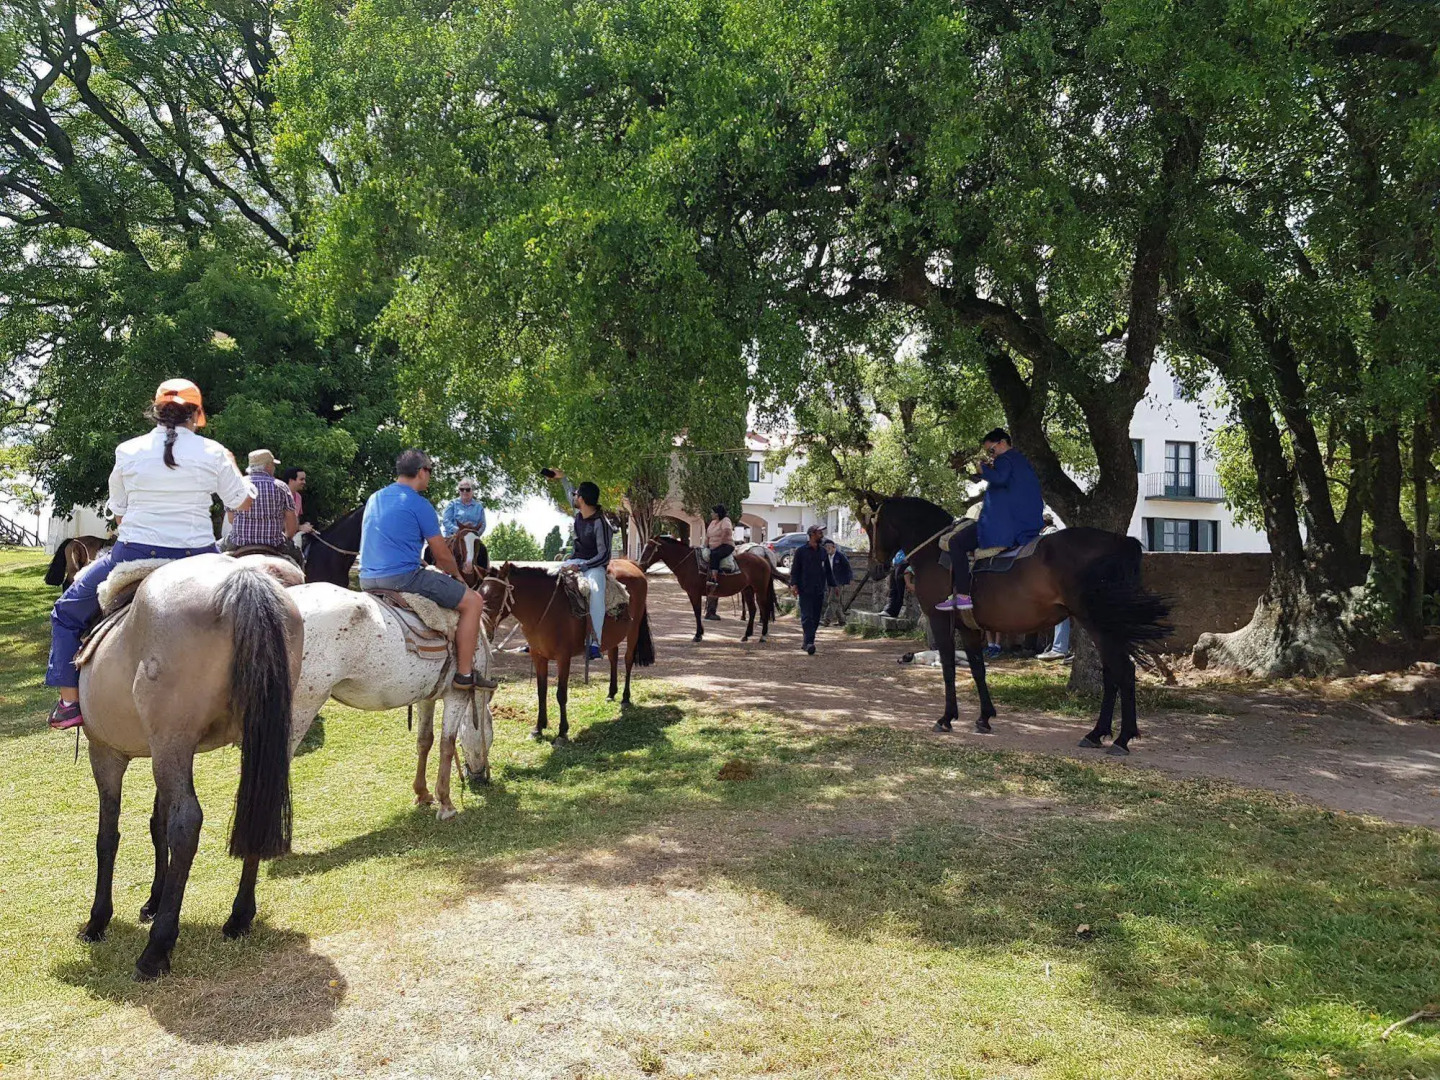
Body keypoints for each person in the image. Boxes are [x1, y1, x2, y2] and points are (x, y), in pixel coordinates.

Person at [45, 379, 256, 730]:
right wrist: (236, 468)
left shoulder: (127, 450)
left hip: (135, 554)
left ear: (157, 411)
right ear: (197, 413)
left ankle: (69, 703)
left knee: (66, 613)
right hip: (200, 557)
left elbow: (120, 512)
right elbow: (242, 502)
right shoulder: (215, 452)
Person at [357, 449, 495, 691]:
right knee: (473, 602)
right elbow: (442, 556)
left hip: (367, 578)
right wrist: (459, 577)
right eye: (430, 470)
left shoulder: (375, 497)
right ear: (421, 471)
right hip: (403, 579)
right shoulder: (420, 504)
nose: (429, 476)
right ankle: (464, 674)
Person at [937, 428, 1045, 612]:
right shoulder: (1021, 461)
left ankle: (963, 595)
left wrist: (983, 469)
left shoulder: (1005, 459)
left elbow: (1001, 478)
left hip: (1004, 526)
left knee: (956, 542)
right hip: (1026, 523)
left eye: (991, 451)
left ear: (1002, 443)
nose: (991, 456)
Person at [548, 469, 613, 660]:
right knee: (548, 578)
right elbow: (570, 494)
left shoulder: (601, 523)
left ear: (582, 499)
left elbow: (604, 555)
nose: (574, 496)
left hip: (594, 565)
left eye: (577, 494)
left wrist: (582, 567)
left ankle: (595, 642)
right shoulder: (579, 512)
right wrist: (563, 479)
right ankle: (541, 635)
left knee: (596, 591)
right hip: (576, 560)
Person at [227, 449, 299, 557]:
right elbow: (291, 521)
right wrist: (288, 538)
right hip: (274, 544)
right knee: (299, 557)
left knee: (214, 555)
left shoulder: (237, 485)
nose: (274, 468)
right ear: (268, 466)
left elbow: (231, 519)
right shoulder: (281, 487)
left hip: (239, 542)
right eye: (273, 465)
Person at [788, 524, 835, 655]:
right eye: (819, 533)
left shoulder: (823, 551)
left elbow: (828, 570)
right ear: (812, 534)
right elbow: (795, 570)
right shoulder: (801, 551)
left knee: (815, 617)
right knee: (807, 616)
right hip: (805, 588)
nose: (822, 535)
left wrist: (833, 585)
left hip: (819, 589)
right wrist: (794, 585)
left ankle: (807, 641)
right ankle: (810, 643)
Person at [441, 477, 487, 573]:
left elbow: (483, 524)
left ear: (472, 491)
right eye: (462, 489)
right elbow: (446, 521)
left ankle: (484, 575)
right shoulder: (452, 504)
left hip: (472, 538)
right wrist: (458, 530)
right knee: (432, 550)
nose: (464, 492)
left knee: (483, 550)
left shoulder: (479, 507)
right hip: (454, 537)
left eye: (467, 489)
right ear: (459, 491)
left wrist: (474, 534)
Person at [703, 504, 735, 621]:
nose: (711, 514)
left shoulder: (726, 521)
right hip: (713, 547)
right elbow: (707, 536)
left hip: (725, 546)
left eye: (713, 512)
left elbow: (726, 533)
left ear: (717, 513)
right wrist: (704, 546)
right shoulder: (712, 523)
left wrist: (718, 545)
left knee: (715, 555)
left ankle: (714, 577)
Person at [820, 538, 853, 625]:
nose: (827, 548)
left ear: (834, 547)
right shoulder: (826, 557)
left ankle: (826, 620)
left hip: (838, 582)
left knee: (833, 600)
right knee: (836, 602)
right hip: (830, 582)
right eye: (825, 547)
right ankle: (842, 621)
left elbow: (848, 568)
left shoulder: (840, 556)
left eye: (828, 547)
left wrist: (846, 580)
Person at [883, 549, 908, 619]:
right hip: (897, 562)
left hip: (905, 561)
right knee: (892, 586)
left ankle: (893, 610)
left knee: (899, 584)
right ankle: (889, 608)